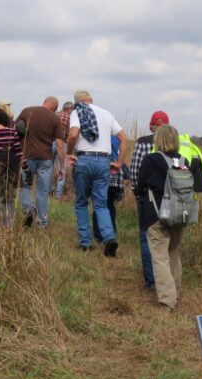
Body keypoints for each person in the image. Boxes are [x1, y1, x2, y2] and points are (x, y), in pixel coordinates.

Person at [66, 90, 129, 255]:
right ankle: (109, 237)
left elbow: (73, 134)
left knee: (81, 202)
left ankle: (86, 242)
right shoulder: (106, 114)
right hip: (104, 161)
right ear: (91, 100)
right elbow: (124, 138)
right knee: (101, 203)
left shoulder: (77, 111)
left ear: (77, 101)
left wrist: (69, 152)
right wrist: (120, 163)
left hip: (84, 159)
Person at [135, 124, 189, 309]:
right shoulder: (182, 161)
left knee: (160, 257)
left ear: (158, 139)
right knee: (174, 254)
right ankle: (176, 292)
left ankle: (167, 299)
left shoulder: (151, 160)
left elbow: (140, 184)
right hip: (179, 214)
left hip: (157, 215)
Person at [128, 110, 169, 289]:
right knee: (167, 238)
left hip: (147, 197)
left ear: (151, 126)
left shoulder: (143, 143)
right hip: (171, 199)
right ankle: (166, 278)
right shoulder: (177, 145)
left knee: (146, 236)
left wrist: (137, 192)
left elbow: (135, 170)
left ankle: (151, 281)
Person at [15, 96, 65, 228]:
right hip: (45, 158)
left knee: (24, 185)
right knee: (42, 190)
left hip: (27, 156)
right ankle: (42, 222)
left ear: (45, 102)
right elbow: (60, 145)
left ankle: (28, 210)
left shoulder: (27, 111)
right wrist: (62, 167)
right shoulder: (55, 118)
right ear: (54, 107)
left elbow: (15, 128)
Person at [91, 134, 125, 244]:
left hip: (101, 168)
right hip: (115, 170)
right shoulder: (116, 138)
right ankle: (112, 232)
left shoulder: (98, 137)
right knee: (110, 204)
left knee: (98, 204)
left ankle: (99, 234)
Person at [54, 101, 74, 199]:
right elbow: (71, 134)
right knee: (62, 169)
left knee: (47, 168)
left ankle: (48, 191)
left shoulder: (54, 114)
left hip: (49, 143)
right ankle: (58, 195)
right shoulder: (69, 117)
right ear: (69, 109)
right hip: (62, 143)